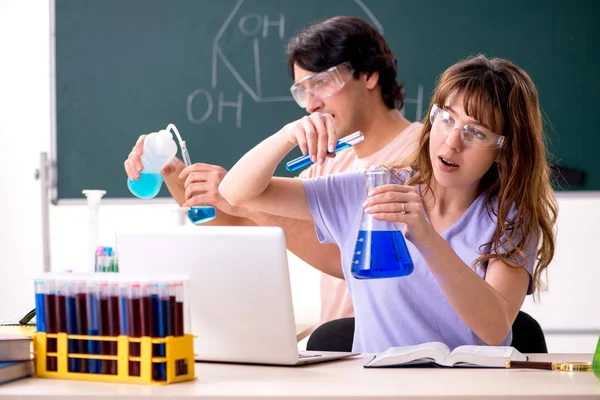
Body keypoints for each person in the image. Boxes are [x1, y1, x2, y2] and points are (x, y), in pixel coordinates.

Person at [219, 54, 558, 352]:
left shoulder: (510, 217)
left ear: (505, 151)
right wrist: (288, 136)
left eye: (477, 132)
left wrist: (425, 235)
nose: (452, 143)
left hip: (469, 389)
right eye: (447, 118)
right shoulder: (374, 188)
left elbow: (494, 328)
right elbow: (237, 192)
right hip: (376, 387)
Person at [123, 16, 422, 330]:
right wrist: (172, 171)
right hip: (341, 348)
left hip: (392, 345)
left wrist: (247, 202)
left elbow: (347, 259)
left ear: (369, 74)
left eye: (321, 83)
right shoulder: (328, 160)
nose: (310, 105)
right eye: (302, 91)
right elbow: (242, 220)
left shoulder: (419, 155)